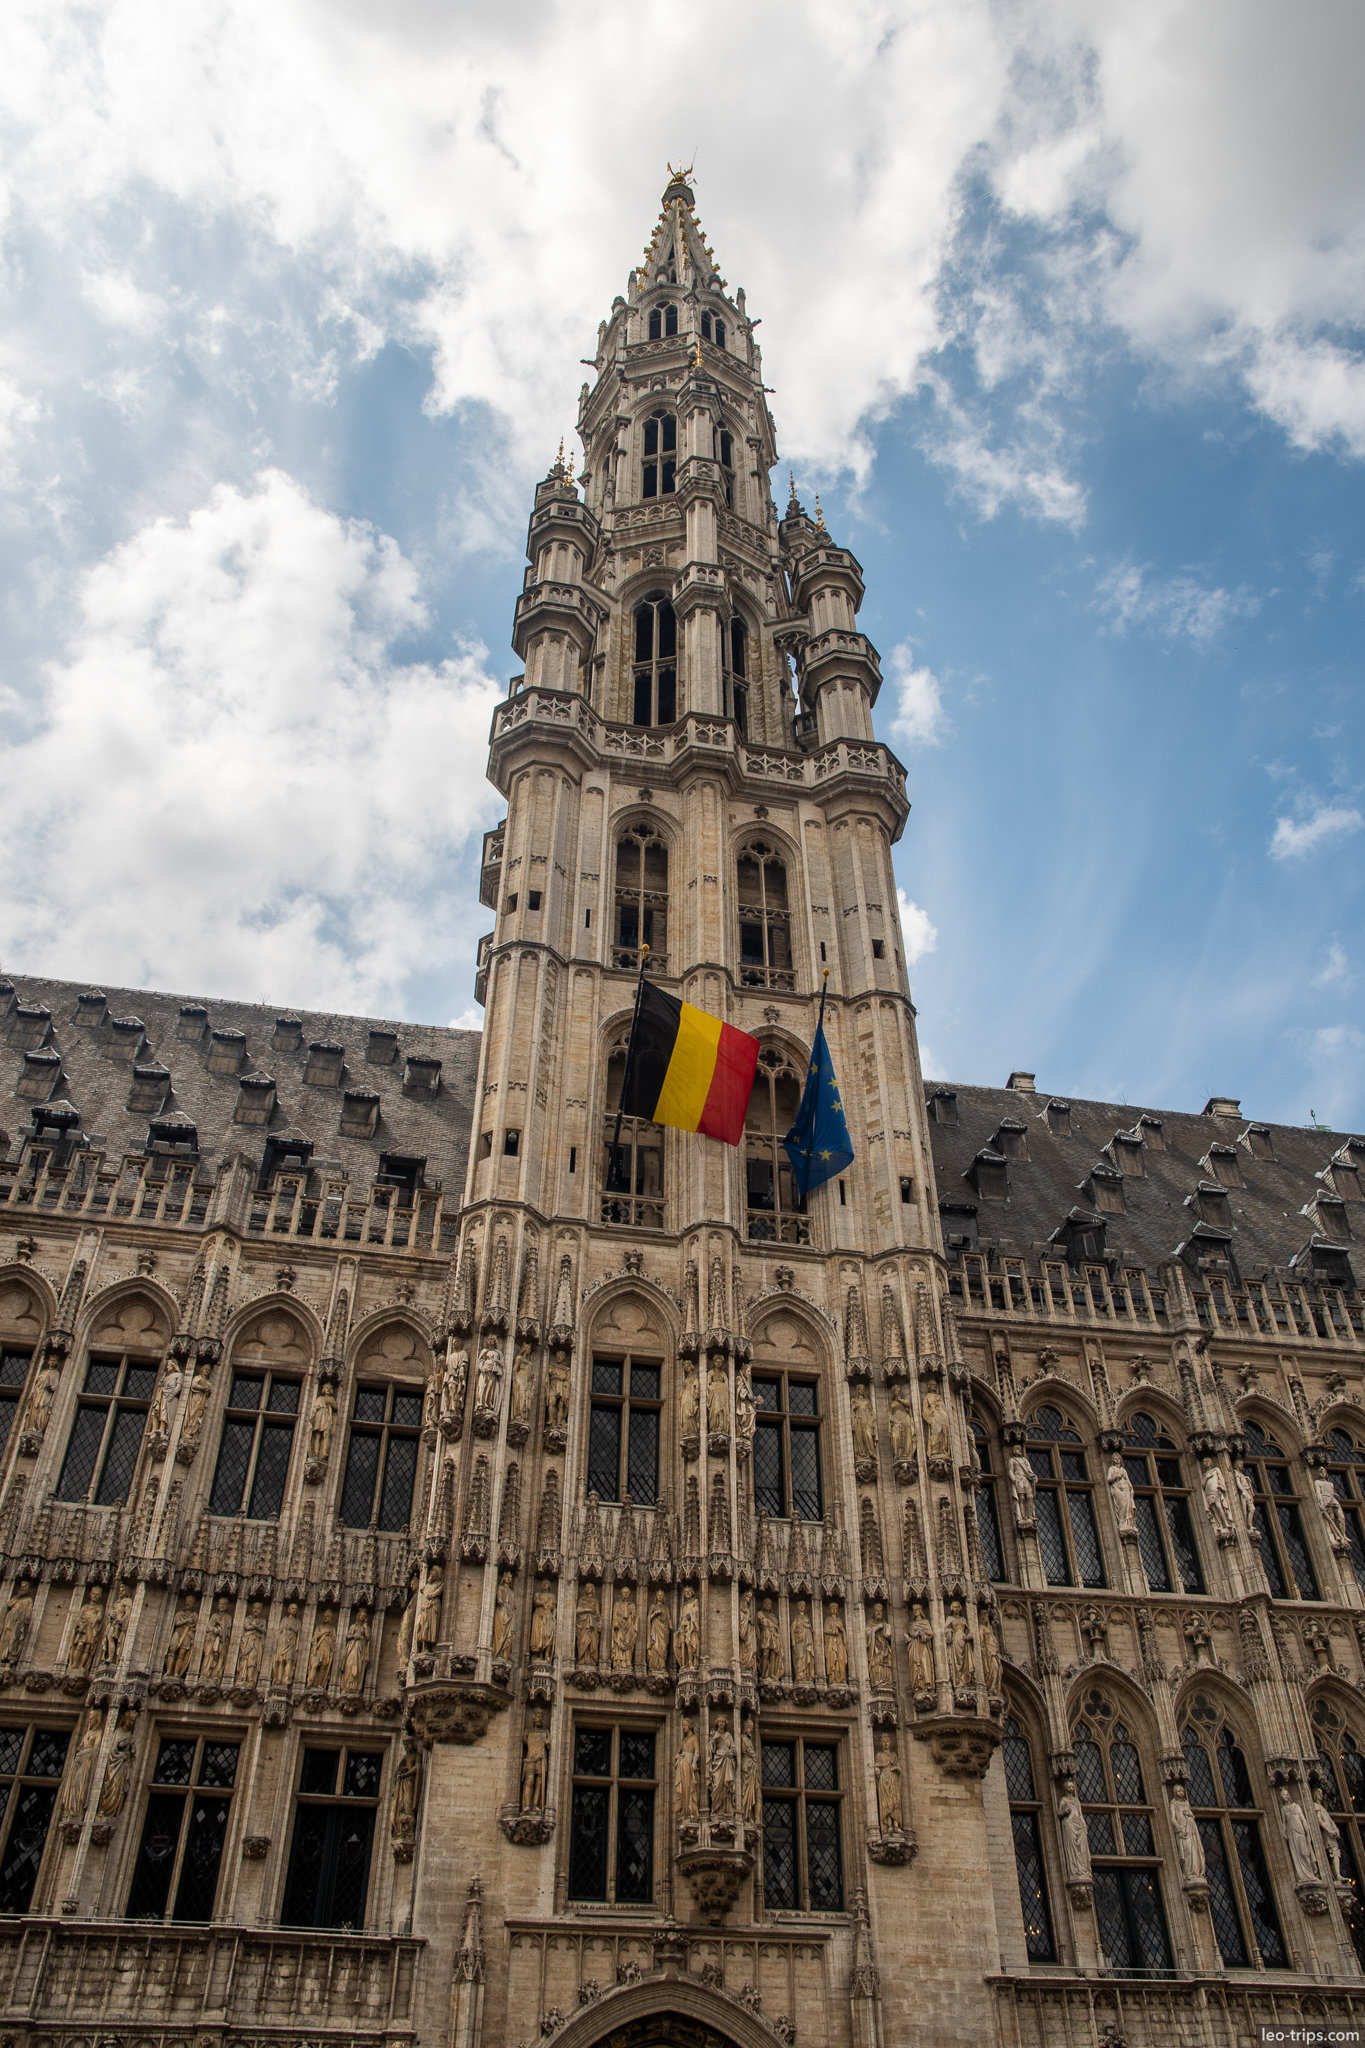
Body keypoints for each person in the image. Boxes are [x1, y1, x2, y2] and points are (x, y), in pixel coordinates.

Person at [674, 1718, 699, 1820]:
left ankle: (690, 1810)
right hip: (682, 1764)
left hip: (689, 1764)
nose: (683, 1727)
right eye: (683, 1725)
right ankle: (684, 1812)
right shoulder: (683, 1740)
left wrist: (694, 1763)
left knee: (689, 1787)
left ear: (689, 1726)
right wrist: (678, 1756)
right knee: (683, 1788)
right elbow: (678, 1751)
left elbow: (697, 1751)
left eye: (685, 1725)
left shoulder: (694, 1738)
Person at [823, 1602, 848, 1686]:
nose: (834, 1610)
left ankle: (841, 1677)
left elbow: (843, 1631)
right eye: (832, 1608)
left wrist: (842, 1631)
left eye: (835, 1608)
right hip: (831, 1643)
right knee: (832, 1659)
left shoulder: (839, 1620)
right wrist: (833, 1632)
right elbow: (825, 1630)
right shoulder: (828, 1620)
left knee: (841, 1659)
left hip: (839, 1642)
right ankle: (833, 1677)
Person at [646, 1589, 671, 1673]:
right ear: (656, 1597)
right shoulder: (653, 1606)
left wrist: (670, 1626)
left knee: (663, 1647)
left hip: (664, 1629)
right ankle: (654, 1665)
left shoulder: (666, 1608)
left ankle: (662, 1666)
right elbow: (649, 1618)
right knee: (655, 1645)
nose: (660, 1597)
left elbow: (668, 1618)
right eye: (658, 1595)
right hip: (655, 1628)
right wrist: (655, 1613)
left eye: (661, 1595)